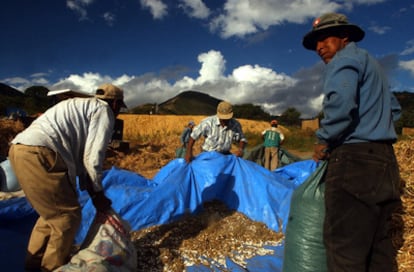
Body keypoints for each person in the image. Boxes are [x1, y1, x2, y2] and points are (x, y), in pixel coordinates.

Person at [303, 12, 402, 271]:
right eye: (315, 43)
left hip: (354, 164)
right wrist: (375, 126)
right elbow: (395, 110)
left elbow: (341, 105)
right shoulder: (372, 64)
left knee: (345, 252)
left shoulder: (344, 60)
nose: (319, 48)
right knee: (380, 252)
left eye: (324, 39)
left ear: (344, 37)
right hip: (385, 163)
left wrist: (323, 139)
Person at [8, 83, 127, 271]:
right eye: (119, 107)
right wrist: (98, 194)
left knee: (50, 216)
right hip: (41, 151)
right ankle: (52, 267)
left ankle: (33, 266)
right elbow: (92, 158)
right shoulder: (104, 111)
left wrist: (90, 188)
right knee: (67, 217)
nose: (118, 112)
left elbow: (81, 159)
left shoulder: (79, 106)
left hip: (19, 149)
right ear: (114, 103)